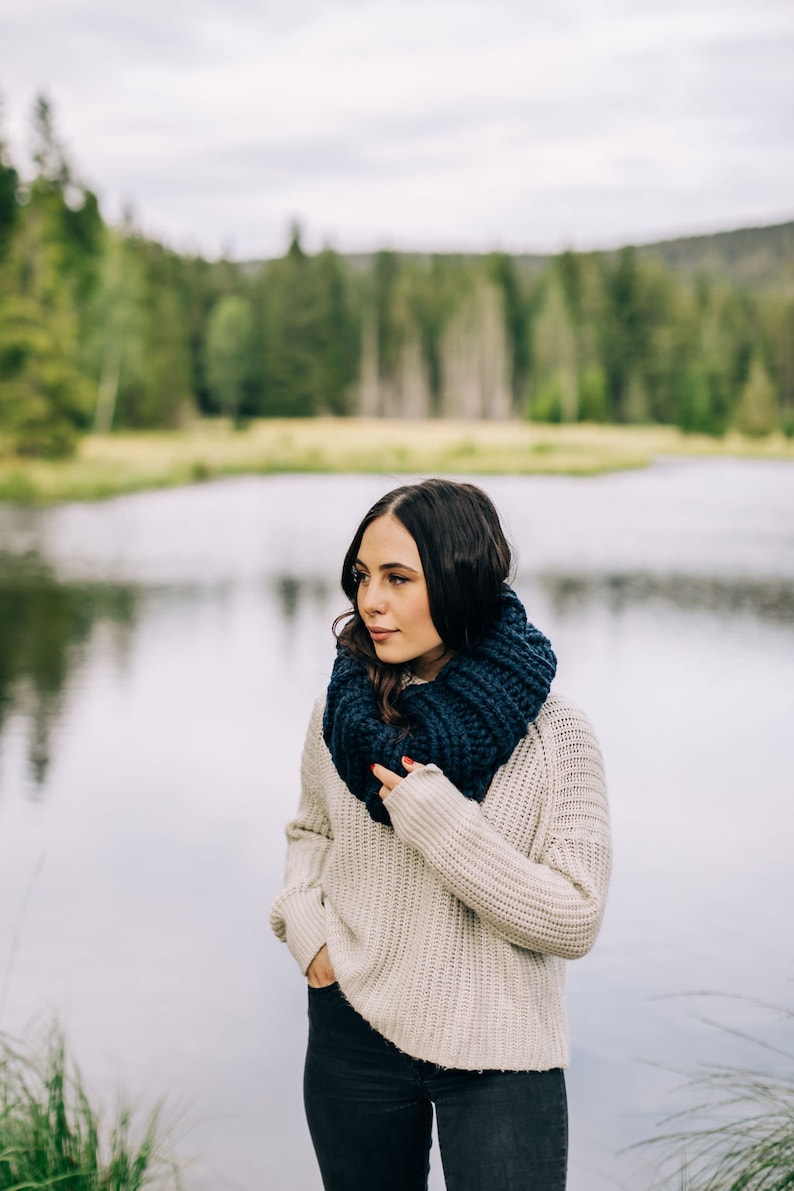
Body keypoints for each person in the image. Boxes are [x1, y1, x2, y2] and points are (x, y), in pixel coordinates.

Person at [270, 478, 611, 1191]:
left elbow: (575, 917)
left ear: (460, 582)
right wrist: (309, 935)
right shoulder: (344, 711)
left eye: (399, 578)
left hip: (500, 1049)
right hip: (353, 1027)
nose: (371, 601)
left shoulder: (556, 734)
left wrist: (440, 820)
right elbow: (310, 830)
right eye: (362, 577)